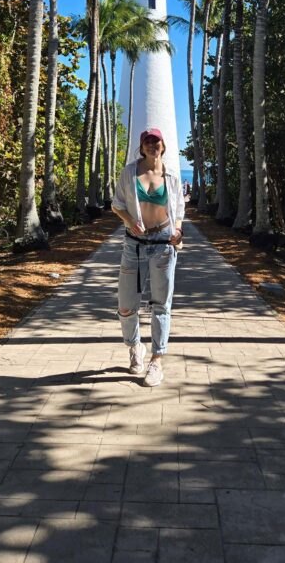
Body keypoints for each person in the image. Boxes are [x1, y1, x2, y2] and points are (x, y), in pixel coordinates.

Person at [111, 127, 185, 387]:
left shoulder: (172, 177)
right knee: (126, 305)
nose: (153, 145)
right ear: (141, 147)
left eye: (157, 141)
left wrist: (177, 231)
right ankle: (135, 348)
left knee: (161, 305)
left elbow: (178, 210)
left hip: (163, 245)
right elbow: (116, 203)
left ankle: (157, 360)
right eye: (148, 141)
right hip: (134, 245)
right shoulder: (130, 172)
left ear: (163, 145)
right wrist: (131, 221)